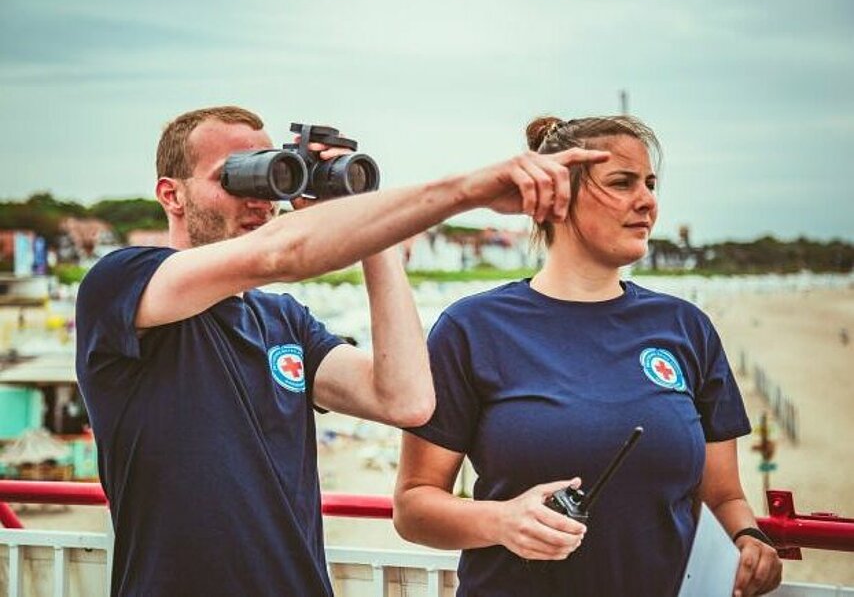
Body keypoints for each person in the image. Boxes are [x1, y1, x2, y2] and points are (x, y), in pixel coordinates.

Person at [74, 105, 610, 597]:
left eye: (269, 173)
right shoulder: (121, 287)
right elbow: (278, 253)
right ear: (172, 194)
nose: (258, 198)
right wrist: (465, 190)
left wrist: (368, 227)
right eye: (233, 177)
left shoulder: (282, 321)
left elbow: (404, 400)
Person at [393, 115, 783, 597]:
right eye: (622, 183)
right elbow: (413, 507)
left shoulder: (686, 328)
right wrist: (502, 521)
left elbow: (724, 496)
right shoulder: (471, 329)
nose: (647, 201)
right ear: (557, 197)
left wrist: (749, 538)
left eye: (650, 184)